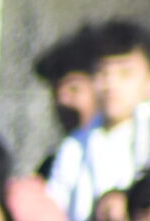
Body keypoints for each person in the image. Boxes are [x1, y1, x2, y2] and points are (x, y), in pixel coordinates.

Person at [46, 23, 150, 221]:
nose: (111, 84)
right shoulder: (74, 147)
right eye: (102, 72)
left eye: (125, 73)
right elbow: (54, 218)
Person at [30, 28, 102, 176]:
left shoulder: (140, 149)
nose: (62, 101)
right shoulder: (53, 167)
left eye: (74, 89)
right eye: (55, 92)